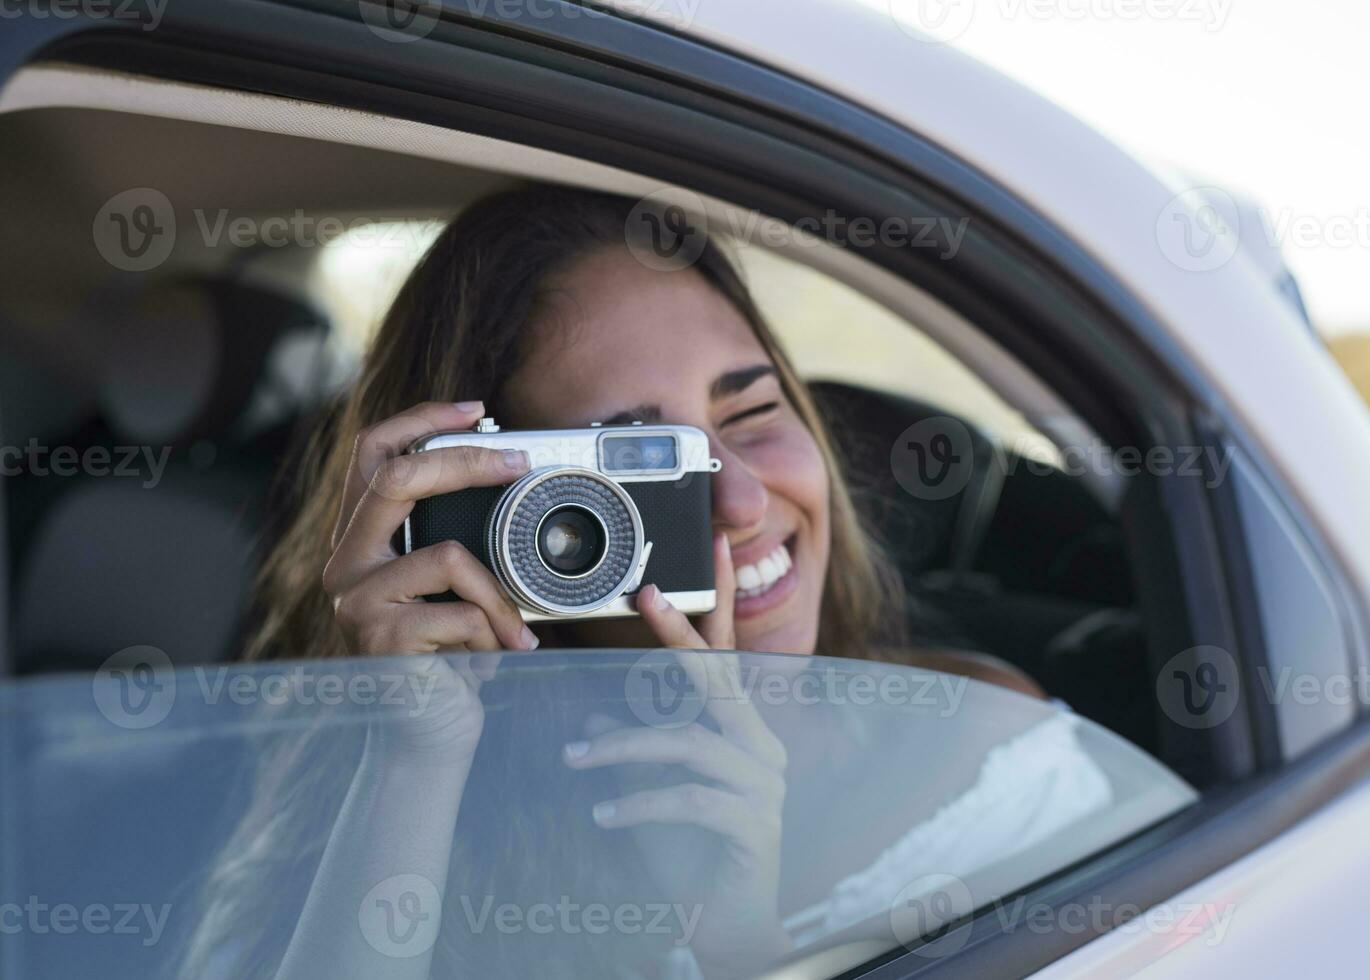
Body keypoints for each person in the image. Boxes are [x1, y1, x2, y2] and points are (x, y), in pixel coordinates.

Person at [183, 187, 1101, 980]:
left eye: (750, 409)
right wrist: (411, 764)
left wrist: (742, 947)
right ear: (484, 525)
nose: (739, 501)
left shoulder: (984, 745)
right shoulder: (358, 796)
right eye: (634, 469)